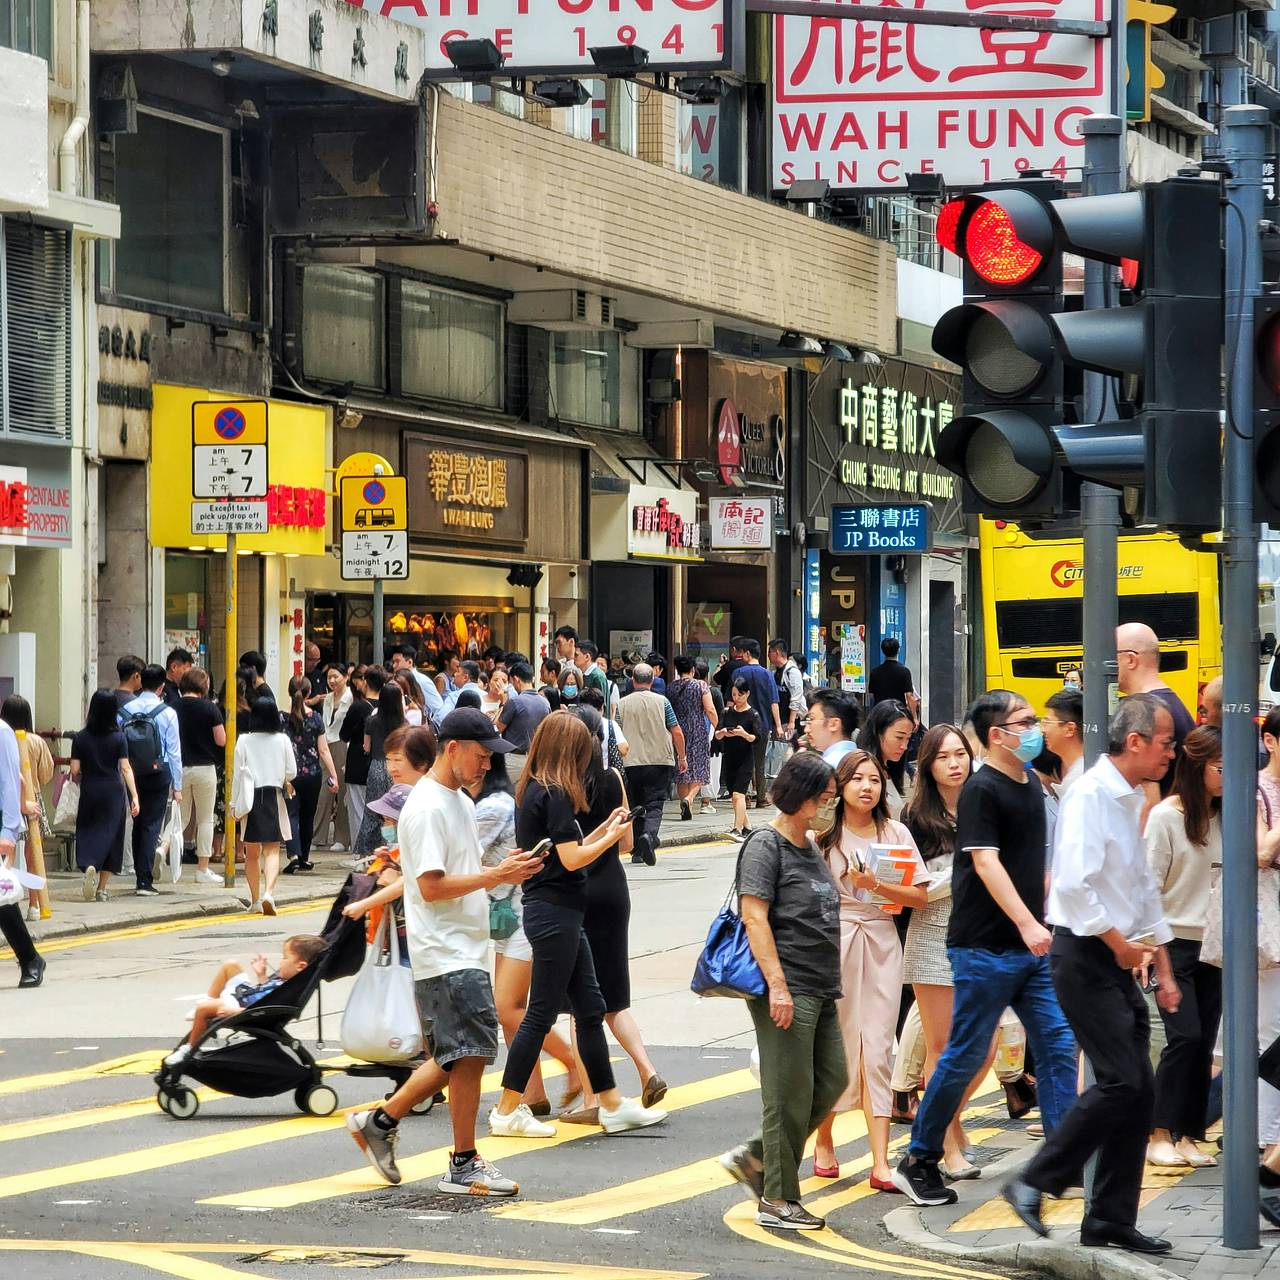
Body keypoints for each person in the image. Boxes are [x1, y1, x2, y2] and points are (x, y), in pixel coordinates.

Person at [1003, 694, 1181, 1255]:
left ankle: (1109, 1220)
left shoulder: (1128, 796)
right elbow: (1074, 885)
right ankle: (1033, 1180)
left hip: (1118, 954)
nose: (1170, 753)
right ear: (1135, 743)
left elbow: (1142, 887)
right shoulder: (1091, 795)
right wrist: (1121, 945)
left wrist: (1163, 964)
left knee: (1139, 1089)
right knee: (1122, 1081)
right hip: (1083, 954)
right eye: (1166, 743)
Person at [345, 708, 545, 1194]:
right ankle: (461, 1160)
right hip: (445, 950)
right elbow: (431, 887)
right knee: (468, 1053)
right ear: (451, 748)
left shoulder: (456, 799)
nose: (486, 766)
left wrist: (501, 869)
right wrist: (496, 876)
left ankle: (383, 1123)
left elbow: (452, 872)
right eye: (480, 756)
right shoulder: (430, 806)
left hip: (464, 946)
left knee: (460, 1054)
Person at [894, 690, 1078, 1209]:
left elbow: (1028, 866)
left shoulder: (1030, 785)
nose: (1035, 728)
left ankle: (1061, 1159)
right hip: (984, 948)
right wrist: (1027, 924)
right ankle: (921, 1157)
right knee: (965, 1054)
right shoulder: (983, 789)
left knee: (1059, 1045)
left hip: (1029, 946)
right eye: (1024, 721)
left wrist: (1047, 914)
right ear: (998, 735)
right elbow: (984, 862)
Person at [488, 714, 662, 1139]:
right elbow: (571, 859)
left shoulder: (532, 788)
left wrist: (603, 829)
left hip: (556, 908)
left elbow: (569, 846)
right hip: (555, 910)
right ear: (571, 750)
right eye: (583, 748)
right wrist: (607, 838)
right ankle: (507, 1109)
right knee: (542, 1012)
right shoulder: (556, 793)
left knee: (589, 1009)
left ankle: (611, 1104)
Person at [720, 753, 845, 1231]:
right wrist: (777, 986)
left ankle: (756, 1156)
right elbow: (755, 917)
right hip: (787, 985)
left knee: (831, 1082)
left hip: (820, 985)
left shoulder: (809, 845)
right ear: (802, 799)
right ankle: (777, 1197)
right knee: (786, 1094)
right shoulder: (765, 844)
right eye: (824, 798)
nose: (829, 805)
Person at [813, 750, 929, 1187]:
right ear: (840, 787)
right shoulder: (825, 833)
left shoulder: (895, 831)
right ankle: (824, 1138)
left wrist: (875, 885)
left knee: (878, 1049)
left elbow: (919, 896)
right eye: (858, 779)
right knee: (837, 1048)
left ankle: (880, 1161)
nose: (867, 787)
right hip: (836, 945)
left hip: (882, 941)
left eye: (875, 780)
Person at [899, 723, 994, 1177]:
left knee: (986, 1047)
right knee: (944, 1047)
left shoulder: (984, 804)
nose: (956, 764)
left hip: (983, 937)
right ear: (929, 766)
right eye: (944, 757)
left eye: (961, 754)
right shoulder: (915, 818)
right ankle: (948, 1144)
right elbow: (908, 889)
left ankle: (938, 1122)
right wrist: (964, 874)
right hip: (933, 935)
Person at [564, 706, 666, 1123]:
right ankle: (648, 1070)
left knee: (580, 1004)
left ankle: (592, 1100)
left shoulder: (562, 787)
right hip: (614, 889)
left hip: (579, 891)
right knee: (615, 997)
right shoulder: (613, 779)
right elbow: (626, 844)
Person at [474, 747, 580, 1116]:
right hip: (509, 914)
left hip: (520, 914)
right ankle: (532, 1093)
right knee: (511, 1009)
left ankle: (572, 1065)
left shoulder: (492, 807)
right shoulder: (502, 799)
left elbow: (462, 856)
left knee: (509, 1007)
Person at [1144, 724, 1223, 1169]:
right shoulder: (1167, 817)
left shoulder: (1229, 814)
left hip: (1215, 944)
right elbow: (1149, 892)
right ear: (1195, 767)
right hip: (1173, 945)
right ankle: (1158, 1133)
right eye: (1218, 767)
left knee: (1203, 1042)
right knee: (1183, 1038)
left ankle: (1190, 1135)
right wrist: (1159, 962)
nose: (1227, 776)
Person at [165, 934, 326, 1065]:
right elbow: (265, 993)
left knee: (204, 1009)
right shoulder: (286, 981)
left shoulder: (292, 987)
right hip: (245, 996)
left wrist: (236, 1012)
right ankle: (207, 1001)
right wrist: (261, 975)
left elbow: (268, 1009)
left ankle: (188, 1049)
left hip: (244, 1007)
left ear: (301, 966)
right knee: (230, 965)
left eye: (285, 958)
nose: (281, 962)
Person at [70, 690, 140, 903]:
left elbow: (74, 770)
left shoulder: (80, 738)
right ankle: (101, 889)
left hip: (90, 789)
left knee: (89, 829)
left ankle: (90, 864)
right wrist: (135, 796)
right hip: (113, 791)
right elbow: (126, 768)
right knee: (112, 835)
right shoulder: (119, 737)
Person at [120, 663, 183, 898]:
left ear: (140, 682)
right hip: (159, 773)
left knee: (137, 821)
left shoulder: (125, 710)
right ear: (162, 687)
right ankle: (144, 880)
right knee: (150, 825)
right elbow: (174, 752)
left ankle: (139, 872)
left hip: (131, 774)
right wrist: (178, 785)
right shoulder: (167, 712)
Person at [232, 696, 297, 916]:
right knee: (271, 851)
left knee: (251, 854)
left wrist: (233, 804)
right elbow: (292, 772)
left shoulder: (243, 741)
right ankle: (270, 893)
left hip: (251, 798)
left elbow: (237, 776)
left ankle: (255, 900)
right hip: (274, 796)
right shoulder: (283, 740)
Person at [1115, 622, 1195, 798]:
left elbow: (1147, 794)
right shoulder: (1170, 703)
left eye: (1111, 655)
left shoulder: (1145, 711)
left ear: (1130, 659)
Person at [618, 662, 686, 867]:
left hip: (630, 761)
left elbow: (617, 732)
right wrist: (682, 757)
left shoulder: (622, 703)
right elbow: (676, 731)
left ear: (633, 680)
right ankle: (648, 836)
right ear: (653, 680)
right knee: (655, 803)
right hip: (659, 760)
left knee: (635, 804)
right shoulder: (662, 702)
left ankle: (638, 851)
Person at [0, 718, 44, 987]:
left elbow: (10, 782)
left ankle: (30, 959)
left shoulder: (2, 733)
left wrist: (8, 831)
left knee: (2, 900)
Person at [282, 676, 339, 874]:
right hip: (313, 775)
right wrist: (333, 775)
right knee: (308, 816)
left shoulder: (283, 718)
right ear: (308, 693)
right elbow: (323, 750)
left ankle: (294, 855)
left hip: (289, 776)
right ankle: (305, 857)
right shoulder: (315, 718)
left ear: (290, 692)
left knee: (291, 814)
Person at [174, 667, 225, 886]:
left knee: (180, 818)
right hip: (205, 768)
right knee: (205, 819)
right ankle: (202, 869)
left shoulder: (171, 706)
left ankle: (163, 849)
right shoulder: (209, 708)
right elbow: (221, 740)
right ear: (204, 686)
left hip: (180, 768)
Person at [357, 682, 406, 855]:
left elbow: (366, 747)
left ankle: (367, 852)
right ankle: (392, 850)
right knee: (393, 814)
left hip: (377, 767)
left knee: (372, 811)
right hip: (397, 769)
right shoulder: (404, 723)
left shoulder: (372, 721)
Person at [668, 655, 718, 821]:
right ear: (693, 670)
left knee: (682, 768)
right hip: (697, 729)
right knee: (699, 768)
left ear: (677, 670)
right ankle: (689, 800)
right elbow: (710, 709)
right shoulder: (701, 685)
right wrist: (718, 726)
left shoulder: (671, 687)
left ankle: (684, 802)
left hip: (677, 730)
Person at [716, 677, 765, 841]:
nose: (736, 698)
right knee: (734, 796)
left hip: (745, 758)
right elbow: (717, 734)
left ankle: (736, 829)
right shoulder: (726, 712)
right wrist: (723, 732)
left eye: (740, 695)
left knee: (739, 795)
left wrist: (744, 734)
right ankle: (747, 827)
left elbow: (756, 738)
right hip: (729, 758)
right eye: (734, 695)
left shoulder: (753, 714)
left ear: (747, 694)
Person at [737, 640, 783, 807]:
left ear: (748, 654)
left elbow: (731, 699)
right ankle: (761, 798)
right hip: (762, 724)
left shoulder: (739, 672)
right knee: (760, 762)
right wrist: (778, 725)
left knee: (743, 760)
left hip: (741, 724)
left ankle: (746, 796)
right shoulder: (768, 674)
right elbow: (773, 702)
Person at [312, 665, 352, 852]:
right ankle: (318, 836)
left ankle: (342, 838)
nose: (332, 681)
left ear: (345, 677)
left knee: (342, 789)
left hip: (344, 745)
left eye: (336, 677)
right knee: (324, 789)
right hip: (326, 745)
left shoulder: (350, 698)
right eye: (329, 677)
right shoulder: (327, 698)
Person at [858, 701, 914, 819]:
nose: (904, 746)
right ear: (878, 732)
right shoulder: (863, 771)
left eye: (907, 739)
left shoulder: (888, 771)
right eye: (899, 737)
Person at [496, 661, 550, 781]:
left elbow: (498, 728)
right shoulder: (545, 703)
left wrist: (503, 703)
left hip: (513, 759)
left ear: (516, 679)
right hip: (536, 759)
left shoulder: (514, 702)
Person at [341, 666, 375, 853]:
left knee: (358, 811)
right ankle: (380, 850)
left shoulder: (359, 707)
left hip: (358, 763)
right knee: (382, 813)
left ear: (365, 682)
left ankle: (360, 852)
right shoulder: (392, 705)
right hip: (384, 765)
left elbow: (344, 734)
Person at [1042, 686, 1085, 796]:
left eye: (1047, 722)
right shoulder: (1075, 773)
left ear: (1069, 729)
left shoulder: (1081, 782)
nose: (1042, 729)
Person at [389, 644, 445, 725]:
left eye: (397, 661)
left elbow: (439, 709)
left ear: (409, 662)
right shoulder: (394, 680)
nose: (394, 666)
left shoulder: (422, 681)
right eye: (393, 662)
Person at [803, 690, 859, 767]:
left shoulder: (825, 768)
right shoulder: (865, 761)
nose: (806, 729)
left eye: (811, 719)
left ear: (833, 724)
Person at [696, 657, 723, 814]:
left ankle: (688, 798)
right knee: (711, 767)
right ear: (707, 675)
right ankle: (706, 802)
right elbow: (717, 714)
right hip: (710, 734)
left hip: (689, 734)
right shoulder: (713, 692)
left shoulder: (683, 690)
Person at [769, 639, 806, 744]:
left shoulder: (792, 672)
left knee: (786, 751)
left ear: (776, 652)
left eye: (770, 652)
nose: (768, 655)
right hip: (778, 721)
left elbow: (796, 698)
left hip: (788, 721)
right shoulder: (775, 672)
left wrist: (791, 722)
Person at [868, 638, 914, 709]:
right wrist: (915, 717)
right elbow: (909, 696)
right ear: (898, 650)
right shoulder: (905, 671)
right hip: (898, 711)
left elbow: (871, 695)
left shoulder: (874, 672)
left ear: (883, 651)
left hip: (880, 711)